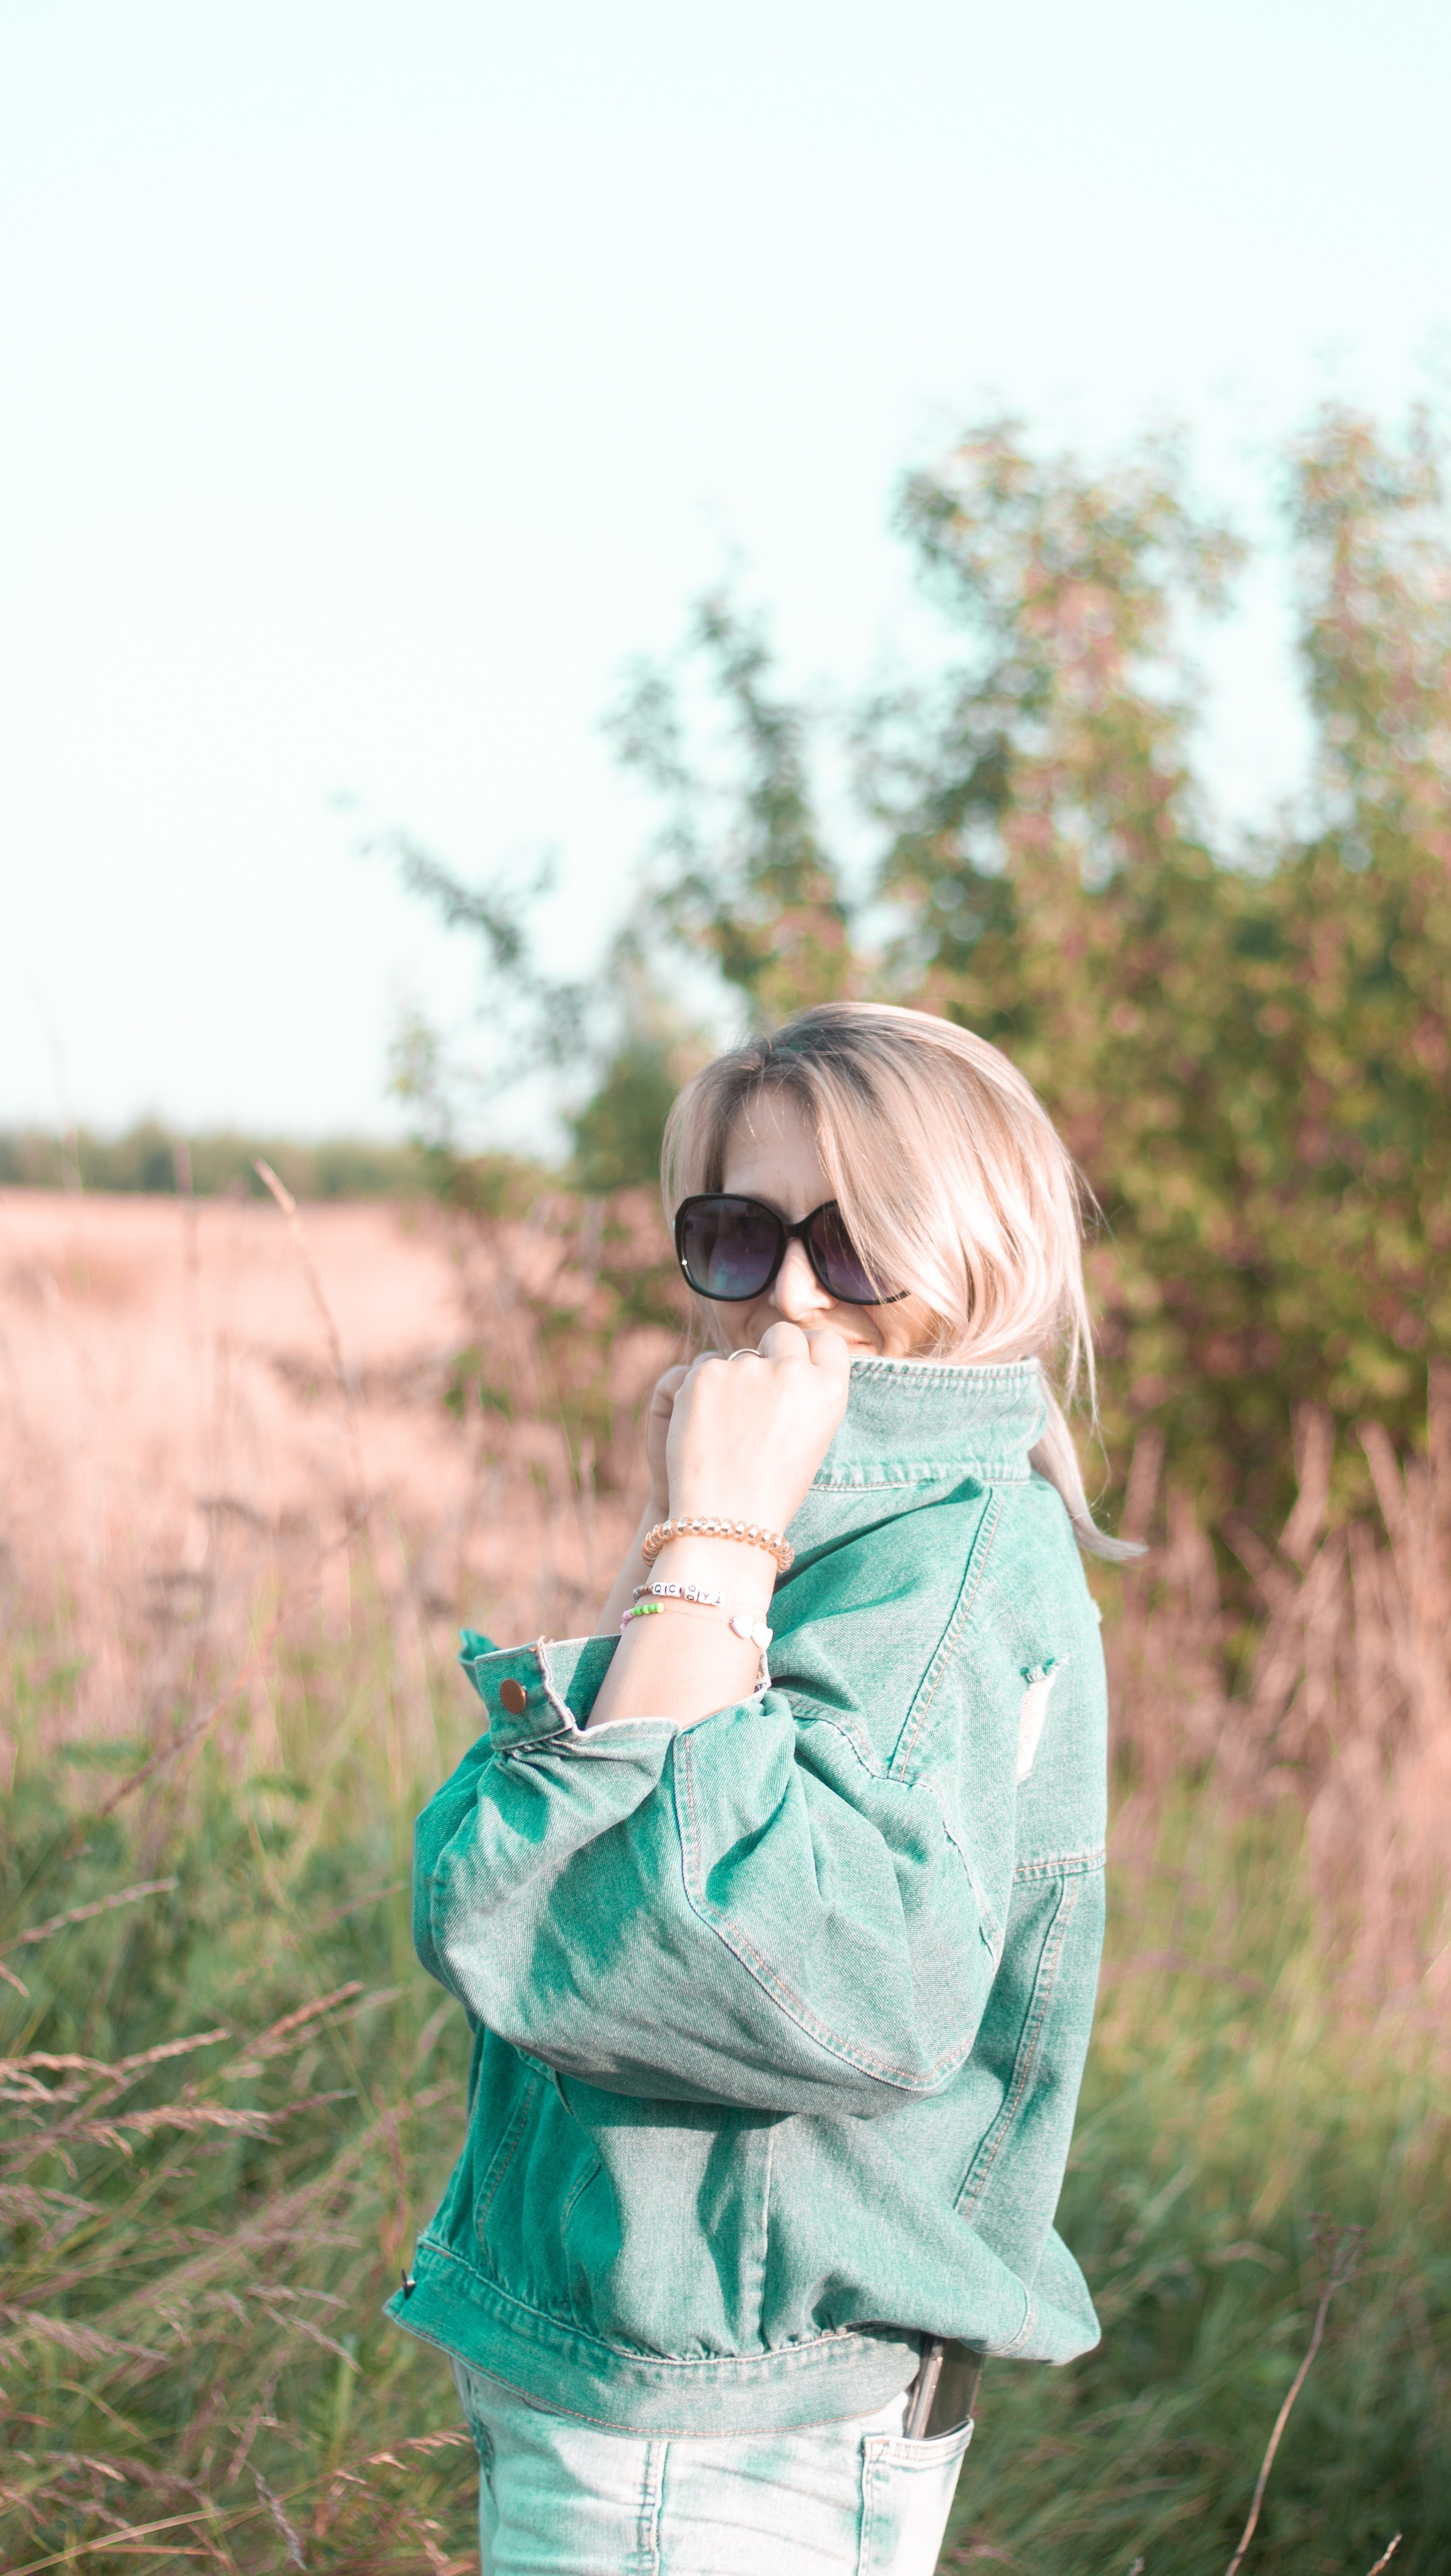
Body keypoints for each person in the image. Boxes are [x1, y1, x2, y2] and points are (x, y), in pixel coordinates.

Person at [388, 1001, 1122, 2576]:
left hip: (724, 2444)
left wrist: (712, 1535)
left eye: (854, 1247)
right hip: (647, 2400)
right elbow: (507, 1899)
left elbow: (682, 1944)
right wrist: (707, 1533)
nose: (788, 1294)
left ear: (978, 1252)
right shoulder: (820, 1528)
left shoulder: (923, 1567)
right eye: (735, 1237)